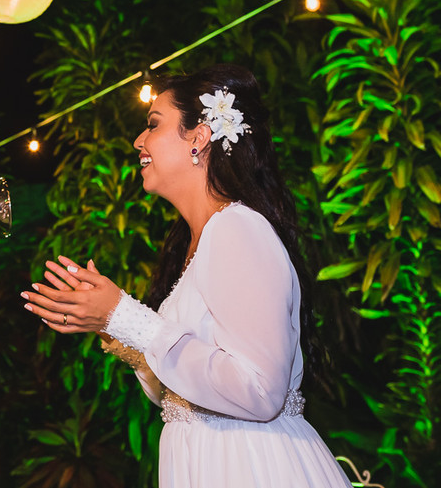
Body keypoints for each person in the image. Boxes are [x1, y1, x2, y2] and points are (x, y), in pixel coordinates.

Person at [21, 64, 351, 486]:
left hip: (250, 466)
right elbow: (185, 394)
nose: (138, 141)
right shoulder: (198, 242)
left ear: (199, 138)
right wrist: (114, 330)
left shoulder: (237, 228)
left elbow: (260, 392)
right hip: (205, 462)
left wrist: (125, 316)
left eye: (153, 125)